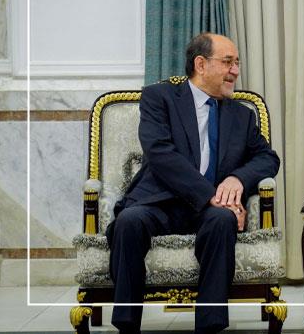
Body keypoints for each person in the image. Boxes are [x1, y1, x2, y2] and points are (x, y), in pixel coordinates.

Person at [107, 32, 281, 334]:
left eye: (237, 63)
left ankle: (210, 326)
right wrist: (212, 195)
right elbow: (160, 153)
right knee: (129, 221)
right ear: (201, 64)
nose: (235, 70)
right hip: (159, 201)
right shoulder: (159, 98)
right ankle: (127, 324)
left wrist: (237, 179)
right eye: (228, 62)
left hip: (209, 212)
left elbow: (268, 158)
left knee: (222, 220)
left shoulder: (241, 116)